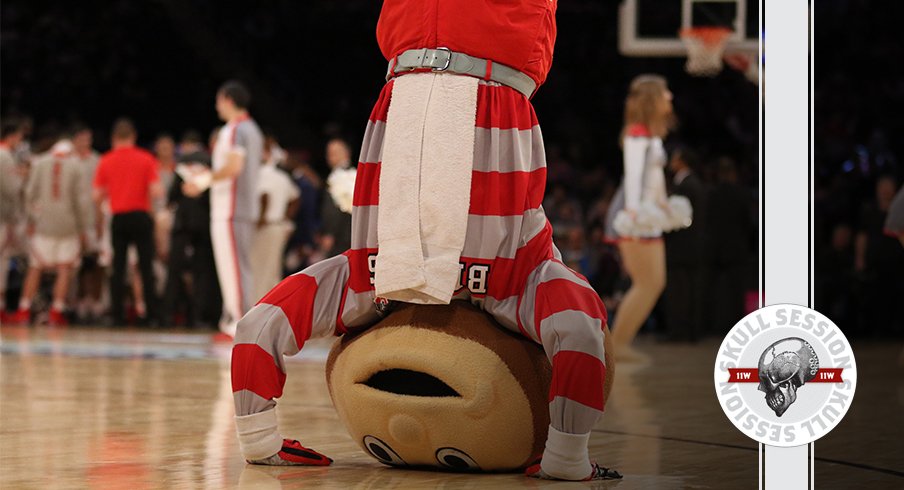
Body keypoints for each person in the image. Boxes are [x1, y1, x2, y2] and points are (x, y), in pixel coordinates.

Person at [231, 2, 620, 482]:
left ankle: (256, 436)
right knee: (582, 320)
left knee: (274, 313)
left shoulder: (369, 279)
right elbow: (581, 331)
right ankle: (567, 456)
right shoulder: (516, 277)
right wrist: (566, 453)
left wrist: (258, 439)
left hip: (407, 102)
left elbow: (256, 325)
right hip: (481, 103)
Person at [604, 75, 688, 361]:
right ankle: (618, 346)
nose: (670, 98)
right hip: (636, 212)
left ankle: (620, 344)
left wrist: (663, 204)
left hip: (648, 211)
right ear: (654, 98)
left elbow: (653, 176)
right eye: (665, 93)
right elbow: (635, 176)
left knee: (653, 282)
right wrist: (634, 213)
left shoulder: (651, 134)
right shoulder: (637, 134)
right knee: (647, 283)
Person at [183, 81, 263, 340]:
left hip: (231, 207)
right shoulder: (253, 129)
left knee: (234, 268)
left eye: (218, 100)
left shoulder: (236, 129)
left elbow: (234, 167)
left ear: (227, 100)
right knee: (239, 267)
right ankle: (233, 319)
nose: (216, 106)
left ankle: (238, 324)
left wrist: (202, 181)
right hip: (240, 207)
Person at [9, 140, 91, 325]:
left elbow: (29, 193)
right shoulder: (76, 166)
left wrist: (31, 218)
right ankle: (56, 310)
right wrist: (82, 228)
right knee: (64, 268)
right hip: (67, 225)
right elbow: (81, 201)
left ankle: (24, 308)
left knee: (35, 266)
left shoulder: (40, 163)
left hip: (43, 224)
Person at [93, 118, 162, 325]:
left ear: (114, 138)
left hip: (119, 217)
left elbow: (96, 195)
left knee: (118, 268)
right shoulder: (146, 158)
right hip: (141, 216)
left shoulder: (106, 160)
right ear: (133, 136)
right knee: (146, 267)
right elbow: (157, 191)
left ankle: (117, 315)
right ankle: (151, 316)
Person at [161, 130, 221, 327]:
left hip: (183, 224)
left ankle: (169, 314)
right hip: (204, 224)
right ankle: (200, 316)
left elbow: (172, 197)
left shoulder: (182, 163)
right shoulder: (212, 163)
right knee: (203, 272)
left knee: (175, 270)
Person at [663, 147, 707, 341]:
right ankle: (687, 331)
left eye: (674, 157)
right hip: (690, 247)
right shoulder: (692, 183)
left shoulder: (687, 185)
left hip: (682, 248)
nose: (671, 161)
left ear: (682, 161)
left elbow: (681, 218)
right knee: (687, 289)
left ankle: (681, 332)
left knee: (681, 290)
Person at [250, 155, 299, 301]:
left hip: (264, 228)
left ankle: (257, 306)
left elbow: (264, 196)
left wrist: (261, 219)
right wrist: (286, 218)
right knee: (273, 269)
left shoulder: (259, 174)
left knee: (257, 269)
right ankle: (272, 305)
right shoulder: (282, 176)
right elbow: (296, 198)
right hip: (278, 226)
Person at [70, 123, 106, 323]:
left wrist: (99, 219)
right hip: (72, 219)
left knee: (95, 261)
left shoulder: (96, 161)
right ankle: (75, 302)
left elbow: (100, 192)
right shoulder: (68, 161)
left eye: (88, 139)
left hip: (92, 217)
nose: (86, 143)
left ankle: (94, 300)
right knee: (75, 264)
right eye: (82, 139)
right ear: (74, 140)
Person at [0, 118, 27, 317]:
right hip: (2, 218)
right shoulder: (5, 156)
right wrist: (23, 176)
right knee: (2, 260)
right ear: (12, 136)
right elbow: (12, 189)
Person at [319, 138, 353, 258]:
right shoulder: (353, 174)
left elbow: (335, 209)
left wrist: (330, 233)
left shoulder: (340, 177)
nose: (329, 157)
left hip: (340, 236)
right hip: (350, 233)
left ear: (346, 154)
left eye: (333, 153)